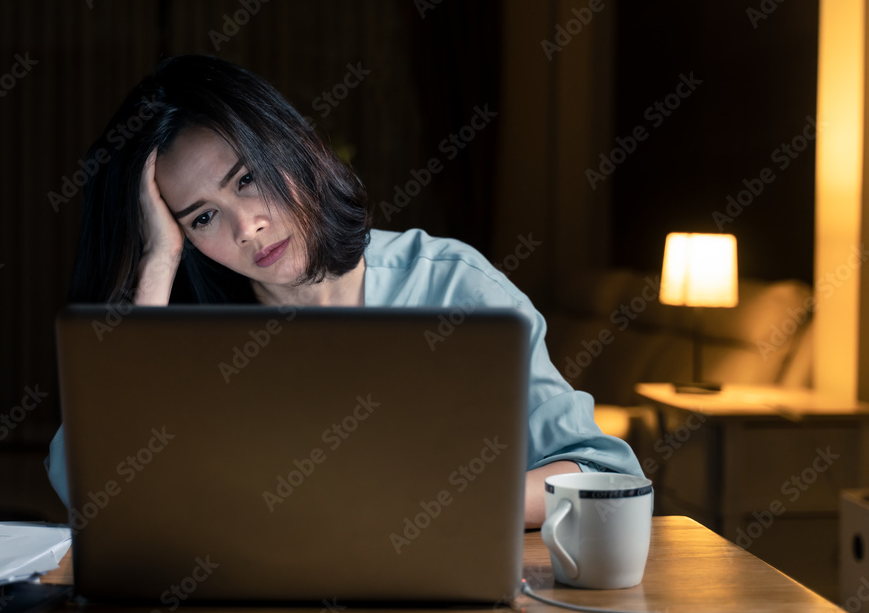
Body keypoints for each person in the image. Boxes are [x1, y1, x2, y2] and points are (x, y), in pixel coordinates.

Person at [45, 54, 643, 527]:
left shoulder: (451, 285)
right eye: (201, 218)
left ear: (298, 147)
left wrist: (429, 505)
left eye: (247, 179)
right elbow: (89, 487)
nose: (245, 226)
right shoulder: (184, 329)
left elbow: (603, 473)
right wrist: (155, 264)